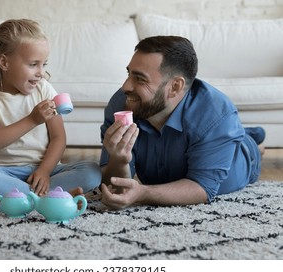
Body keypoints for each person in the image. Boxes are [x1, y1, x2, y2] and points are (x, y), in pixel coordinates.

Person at [99, 35, 265, 209]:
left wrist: (143, 193)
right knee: (222, 135)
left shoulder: (216, 114)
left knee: (243, 145)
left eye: (140, 79)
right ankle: (245, 134)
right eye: (129, 74)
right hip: (208, 138)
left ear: (175, 87)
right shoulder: (123, 103)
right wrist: (119, 160)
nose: (126, 86)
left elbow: (202, 188)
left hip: (242, 162)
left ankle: (252, 143)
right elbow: (114, 184)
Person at [0, 19, 101, 198]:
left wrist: (44, 171)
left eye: (44, 64)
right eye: (33, 64)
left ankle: (20, 196)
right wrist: (32, 120)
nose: (41, 73)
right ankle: (49, 196)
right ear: (4, 63)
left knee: (92, 171)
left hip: (46, 169)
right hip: (5, 172)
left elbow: (59, 138)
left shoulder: (44, 89)